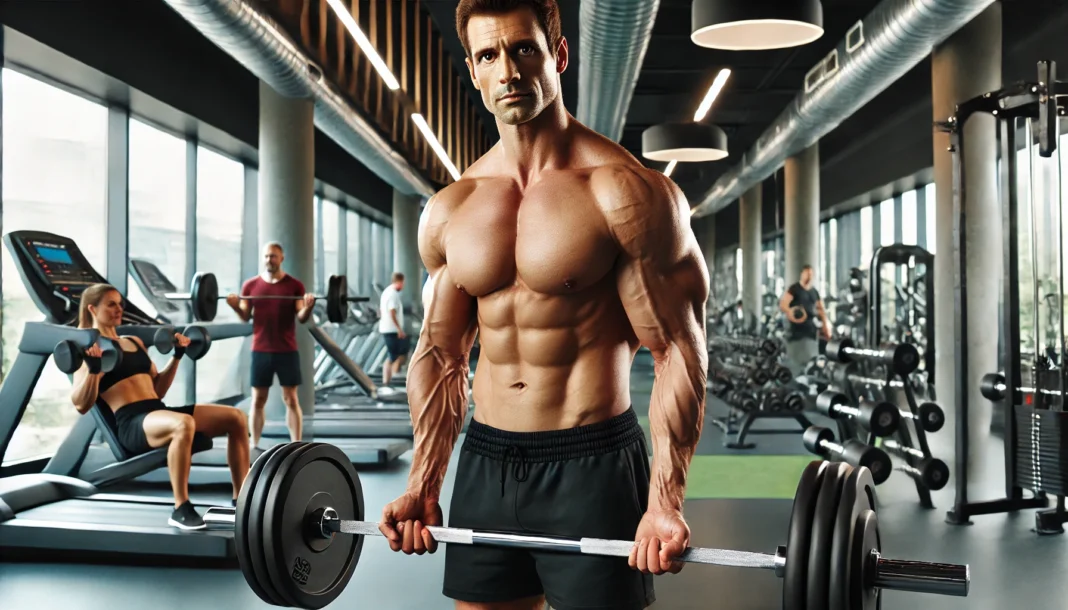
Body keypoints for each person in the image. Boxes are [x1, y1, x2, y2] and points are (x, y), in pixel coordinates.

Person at [377, 2, 710, 609]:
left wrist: (664, 501)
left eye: (523, 49)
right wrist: (424, 480)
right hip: (486, 459)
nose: (507, 71)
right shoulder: (452, 209)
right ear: (475, 74)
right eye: (487, 56)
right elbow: (441, 354)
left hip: (592, 465)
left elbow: (677, 352)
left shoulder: (625, 192)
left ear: (557, 55)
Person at [70, 284, 250, 531]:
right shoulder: (89, 349)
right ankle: (181, 508)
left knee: (236, 417)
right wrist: (93, 370)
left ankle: (240, 501)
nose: (118, 309)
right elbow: (81, 404)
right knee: (183, 423)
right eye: (111, 304)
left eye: (120, 303)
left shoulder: (133, 342)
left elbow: (158, 390)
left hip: (157, 410)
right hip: (132, 423)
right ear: (92, 308)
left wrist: (177, 357)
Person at [227, 242, 316, 447]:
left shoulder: (294, 285)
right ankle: (254, 444)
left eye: (274, 256)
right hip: (261, 350)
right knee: (258, 400)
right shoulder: (250, 286)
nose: (270, 260)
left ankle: (296, 444)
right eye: (267, 256)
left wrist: (309, 307)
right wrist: (234, 306)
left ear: (281, 258)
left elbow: (301, 317)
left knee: (291, 399)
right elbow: (244, 316)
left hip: (286, 349)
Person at [779, 264, 832, 373]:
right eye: (807, 274)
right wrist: (791, 312)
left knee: (811, 360)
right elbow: (783, 304)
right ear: (802, 274)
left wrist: (825, 326)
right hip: (795, 332)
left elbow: (821, 310)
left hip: (810, 332)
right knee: (795, 362)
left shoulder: (814, 292)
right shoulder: (794, 289)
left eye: (811, 274)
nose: (809, 277)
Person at [378, 272, 409, 387]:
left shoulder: (386, 292)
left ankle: (390, 378)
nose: (403, 286)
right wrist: (399, 329)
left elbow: (381, 311)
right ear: (399, 282)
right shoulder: (393, 294)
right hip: (391, 330)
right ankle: (387, 382)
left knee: (397, 354)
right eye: (403, 283)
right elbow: (392, 312)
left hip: (388, 328)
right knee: (394, 356)